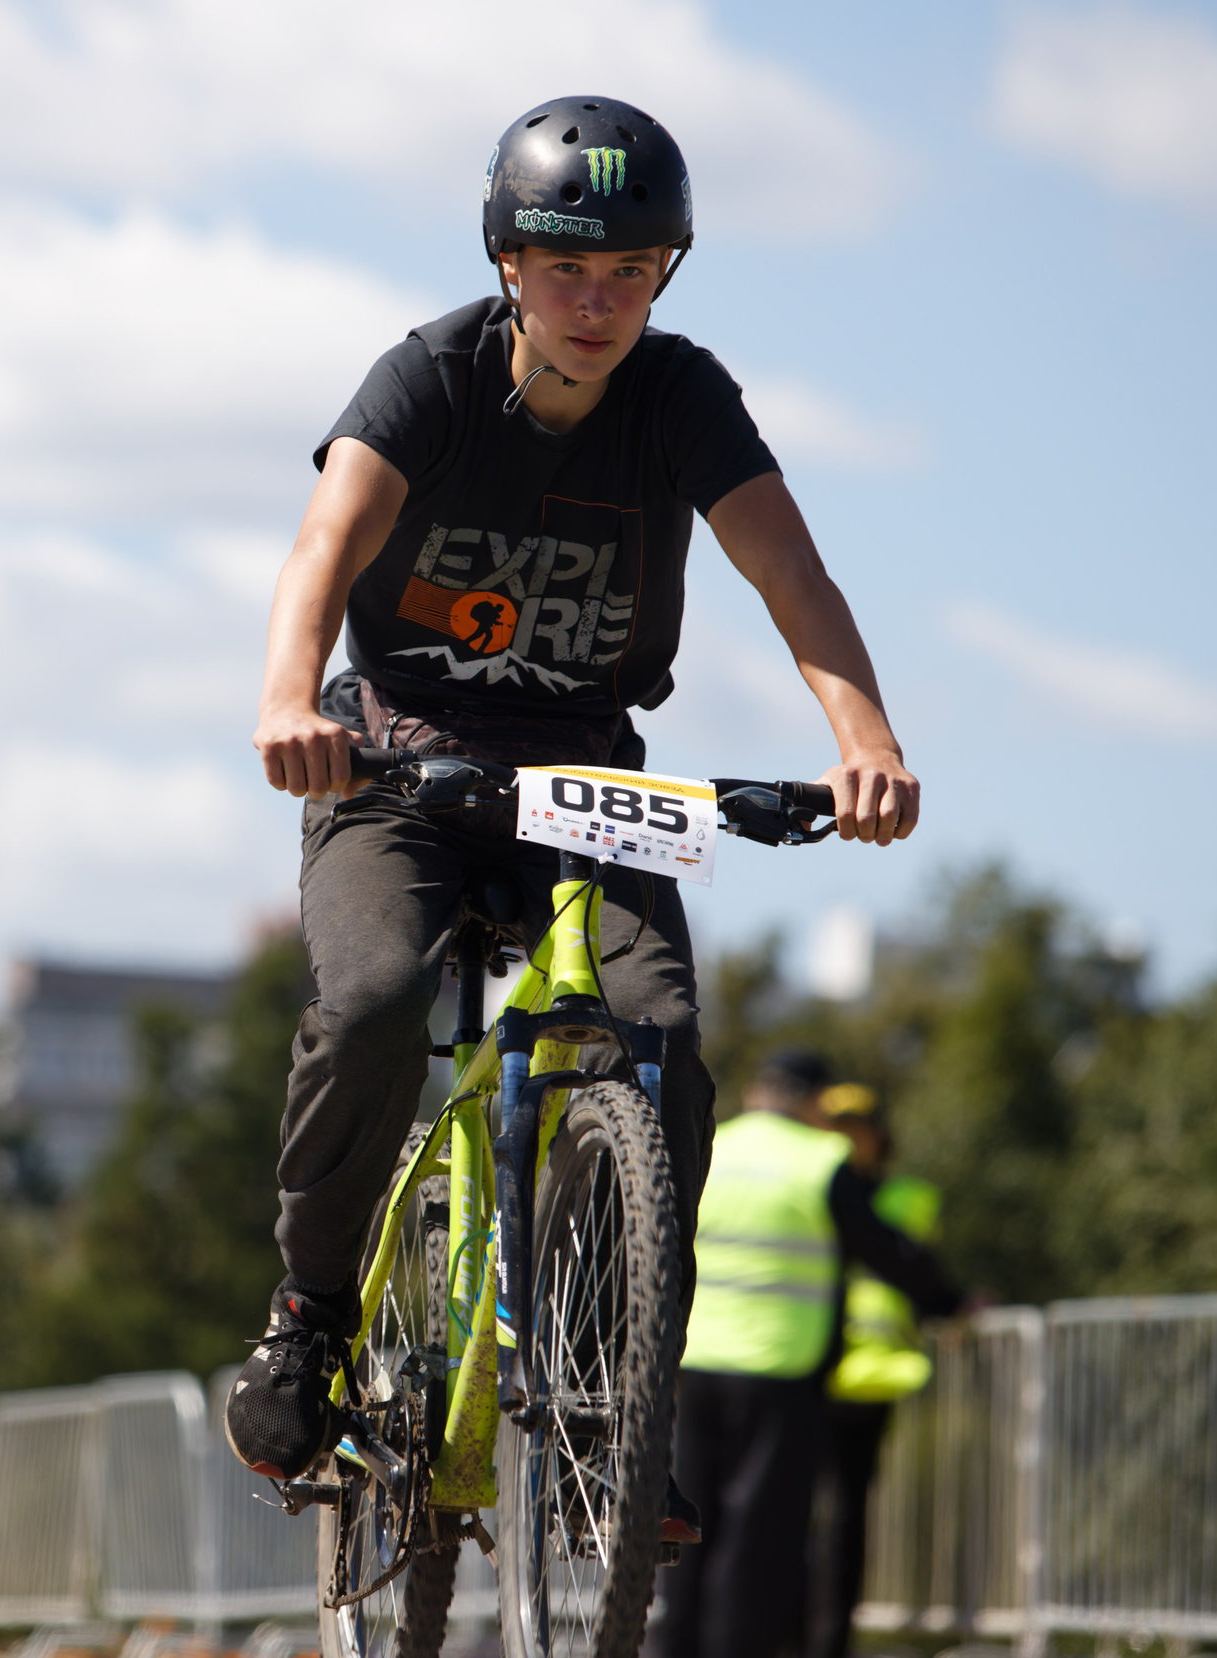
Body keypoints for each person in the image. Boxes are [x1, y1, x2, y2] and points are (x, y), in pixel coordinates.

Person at [222, 88, 923, 1511]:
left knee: (657, 1045)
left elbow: (793, 574)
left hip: (582, 772)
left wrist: (865, 734)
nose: (597, 303)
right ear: (507, 268)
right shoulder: (427, 376)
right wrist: (290, 698)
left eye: (629, 274)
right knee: (366, 1004)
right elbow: (324, 541)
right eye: (565, 271)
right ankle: (309, 1317)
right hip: (395, 761)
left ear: (665, 275)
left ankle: (612, 1389)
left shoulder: (681, 398)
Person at [660, 1054, 961, 1658]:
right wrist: (952, 1301)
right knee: (757, 1541)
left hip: (697, 1365)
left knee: (687, 1525)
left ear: (754, 1091)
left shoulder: (714, 1144)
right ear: (816, 1102)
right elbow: (888, 1250)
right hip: (780, 1369)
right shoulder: (820, 1159)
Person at [797, 1083, 946, 1658]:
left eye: (856, 1127)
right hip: (801, 1375)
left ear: (879, 1135)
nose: (845, 1137)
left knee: (842, 1542)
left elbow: (909, 1265)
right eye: (836, 1126)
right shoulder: (805, 1185)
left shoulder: (906, 1198)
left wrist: (954, 1302)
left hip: (867, 1380)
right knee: (792, 1531)